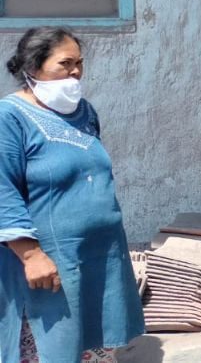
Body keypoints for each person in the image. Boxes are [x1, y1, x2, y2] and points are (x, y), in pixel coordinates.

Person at [1, 27, 144, 363]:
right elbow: (3, 189)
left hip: (98, 257)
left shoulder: (85, 112)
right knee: (53, 347)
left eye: (80, 63)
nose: (76, 71)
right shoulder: (10, 117)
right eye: (65, 63)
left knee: (95, 339)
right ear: (33, 67)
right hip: (49, 264)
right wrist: (31, 255)